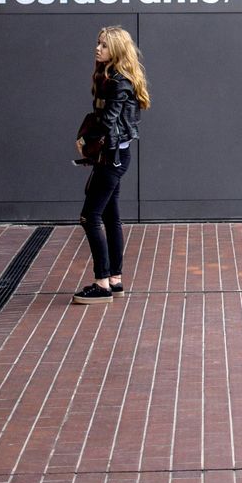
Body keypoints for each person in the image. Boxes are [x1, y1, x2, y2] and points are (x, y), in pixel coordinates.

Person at [71, 27, 149, 305]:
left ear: (115, 50)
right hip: (116, 156)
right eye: (98, 43)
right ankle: (114, 280)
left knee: (89, 216)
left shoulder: (118, 82)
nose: (98, 48)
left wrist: (85, 139)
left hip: (111, 158)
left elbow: (108, 121)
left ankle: (101, 283)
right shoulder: (116, 78)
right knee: (109, 217)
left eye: (104, 45)